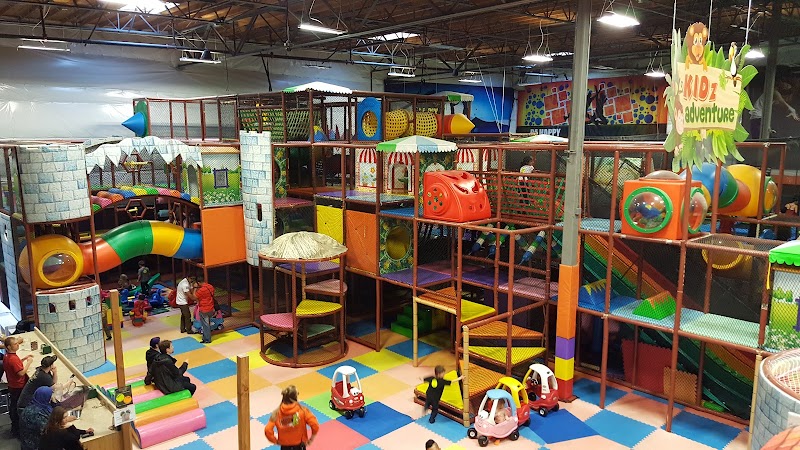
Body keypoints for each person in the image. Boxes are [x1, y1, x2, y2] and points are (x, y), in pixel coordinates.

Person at [264, 385, 319, 450]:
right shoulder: (303, 411)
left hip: (285, 447)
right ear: (296, 397)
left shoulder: (276, 413)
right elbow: (315, 425)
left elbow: (267, 430)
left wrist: (275, 441)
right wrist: (311, 439)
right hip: (300, 446)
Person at [3, 336, 33, 437]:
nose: (18, 345)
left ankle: (15, 427)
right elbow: (21, 373)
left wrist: (24, 359)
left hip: (12, 384)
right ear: (9, 347)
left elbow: (15, 365)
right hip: (18, 386)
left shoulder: (7, 356)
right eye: (15, 344)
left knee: (14, 405)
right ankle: (18, 429)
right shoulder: (13, 359)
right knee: (18, 406)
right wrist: (29, 363)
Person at [194, 275, 216, 344]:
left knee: (205, 325)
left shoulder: (201, 290)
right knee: (207, 323)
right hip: (211, 307)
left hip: (204, 309)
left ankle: (207, 339)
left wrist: (195, 288)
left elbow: (194, 296)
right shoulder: (210, 286)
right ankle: (205, 338)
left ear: (198, 282)